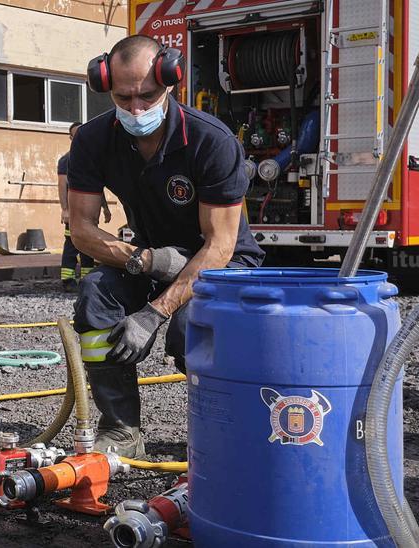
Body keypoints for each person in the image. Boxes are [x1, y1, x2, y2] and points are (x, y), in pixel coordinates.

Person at [67, 35, 265, 458]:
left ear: (170, 81)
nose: (136, 109)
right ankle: (122, 430)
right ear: (107, 86)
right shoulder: (92, 140)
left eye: (147, 96)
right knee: (96, 294)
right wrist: (145, 261)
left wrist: (152, 314)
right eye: (124, 97)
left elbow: (220, 246)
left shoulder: (211, 141)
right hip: (153, 256)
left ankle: (219, 433)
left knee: (191, 323)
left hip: (221, 264)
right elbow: (82, 230)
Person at [57, 121, 111, 289]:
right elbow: (61, 184)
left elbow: (96, 188)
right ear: (71, 138)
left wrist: (105, 208)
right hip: (73, 212)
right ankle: (68, 279)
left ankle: (87, 279)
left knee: (89, 244)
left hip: (89, 212)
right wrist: (65, 209)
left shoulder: (90, 158)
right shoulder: (67, 160)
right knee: (72, 244)